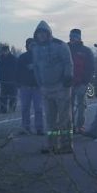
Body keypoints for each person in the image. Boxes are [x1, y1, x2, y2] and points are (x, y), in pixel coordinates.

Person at [32, 21, 74, 154]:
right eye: (39, 33)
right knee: (50, 119)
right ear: (36, 35)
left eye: (43, 33)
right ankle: (52, 144)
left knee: (64, 119)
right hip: (46, 89)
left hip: (61, 87)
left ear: (48, 33)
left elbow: (68, 63)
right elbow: (36, 67)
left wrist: (67, 78)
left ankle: (66, 145)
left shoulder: (60, 45)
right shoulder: (35, 49)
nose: (41, 35)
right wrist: (40, 84)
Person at [68, 28, 95, 134]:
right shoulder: (65, 49)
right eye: (71, 36)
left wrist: (85, 82)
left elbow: (91, 68)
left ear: (79, 38)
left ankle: (80, 126)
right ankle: (70, 126)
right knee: (68, 107)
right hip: (68, 84)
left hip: (81, 83)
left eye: (74, 37)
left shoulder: (86, 51)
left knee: (82, 106)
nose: (72, 39)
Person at [17, 37, 44, 135]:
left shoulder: (41, 56)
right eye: (30, 45)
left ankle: (39, 128)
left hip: (37, 87)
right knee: (25, 108)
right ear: (27, 46)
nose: (32, 47)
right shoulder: (22, 57)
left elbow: (44, 70)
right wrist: (18, 83)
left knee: (39, 109)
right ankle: (25, 127)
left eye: (34, 45)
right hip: (25, 86)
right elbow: (18, 71)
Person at [0, 45, 19, 113]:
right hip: (3, 81)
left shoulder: (13, 59)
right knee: (3, 96)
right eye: (3, 51)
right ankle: (3, 109)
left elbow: (17, 70)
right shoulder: (2, 59)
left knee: (13, 96)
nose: (4, 52)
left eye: (5, 51)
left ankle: (12, 108)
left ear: (8, 50)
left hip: (12, 81)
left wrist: (16, 79)